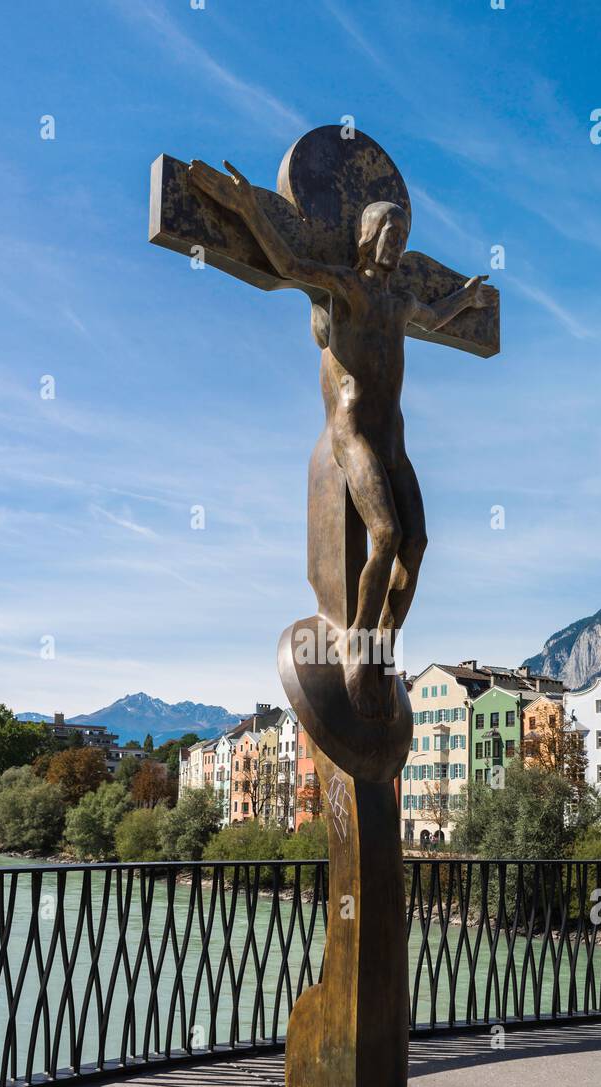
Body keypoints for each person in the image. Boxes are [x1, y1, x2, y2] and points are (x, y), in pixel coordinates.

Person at [189, 158, 495, 717]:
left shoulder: (400, 302)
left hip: (393, 439)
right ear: (368, 238)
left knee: (417, 543)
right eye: (389, 236)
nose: (396, 247)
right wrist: (248, 206)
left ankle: (381, 642)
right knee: (385, 534)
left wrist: (469, 298)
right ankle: (359, 643)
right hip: (352, 433)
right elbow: (286, 261)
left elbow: (438, 315)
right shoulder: (345, 288)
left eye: (403, 238)